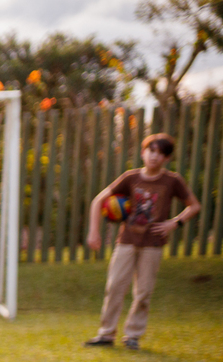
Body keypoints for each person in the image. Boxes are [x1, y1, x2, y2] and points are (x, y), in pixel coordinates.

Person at [84, 133, 201, 350]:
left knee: (144, 292)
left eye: (161, 153)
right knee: (115, 287)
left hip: (153, 244)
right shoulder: (130, 177)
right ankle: (106, 334)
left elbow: (194, 206)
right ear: (143, 152)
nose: (155, 156)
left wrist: (174, 223)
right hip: (126, 242)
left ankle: (133, 336)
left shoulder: (172, 181)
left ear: (167, 158)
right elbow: (98, 200)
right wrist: (94, 232)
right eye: (151, 151)